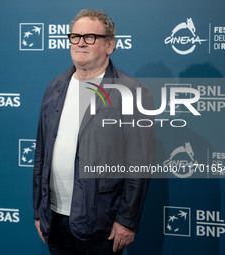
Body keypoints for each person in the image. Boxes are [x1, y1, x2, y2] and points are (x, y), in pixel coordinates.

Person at [33, 9, 155, 255]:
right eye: (75, 36)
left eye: (89, 37)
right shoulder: (54, 88)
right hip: (55, 219)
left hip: (102, 223)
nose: (79, 42)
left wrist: (127, 221)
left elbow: (138, 165)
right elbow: (41, 152)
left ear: (110, 45)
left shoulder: (132, 93)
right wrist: (39, 209)